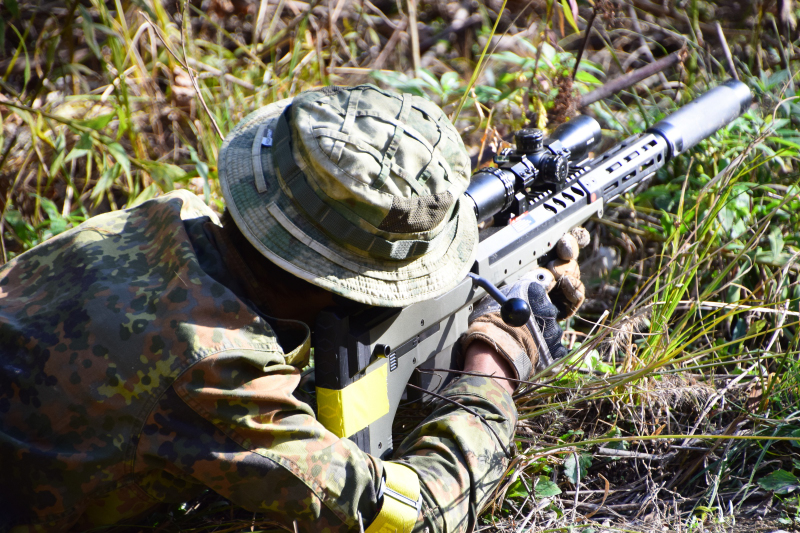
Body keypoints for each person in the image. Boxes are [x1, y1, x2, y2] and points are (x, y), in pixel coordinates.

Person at [0, 84, 584, 532]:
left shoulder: (155, 222)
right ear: (354, 285)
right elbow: (410, 515)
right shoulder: (216, 373)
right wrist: (495, 360)